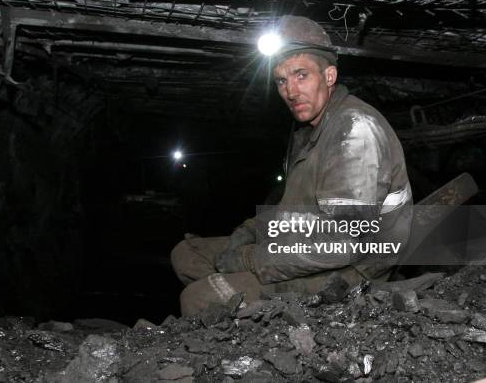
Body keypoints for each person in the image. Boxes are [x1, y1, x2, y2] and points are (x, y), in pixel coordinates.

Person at [171, 16, 412, 316]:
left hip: (353, 271)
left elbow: (341, 242)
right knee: (187, 254)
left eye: (301, 75)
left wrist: (251, 260)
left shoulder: (354, 131)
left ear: (329, 76)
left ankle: (248, 326)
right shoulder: (310, 129)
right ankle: (238, 299)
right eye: (282, 80)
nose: (290, 91)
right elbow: (299, 209)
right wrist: (252, 229)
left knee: (197, 299)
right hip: (309, 241)